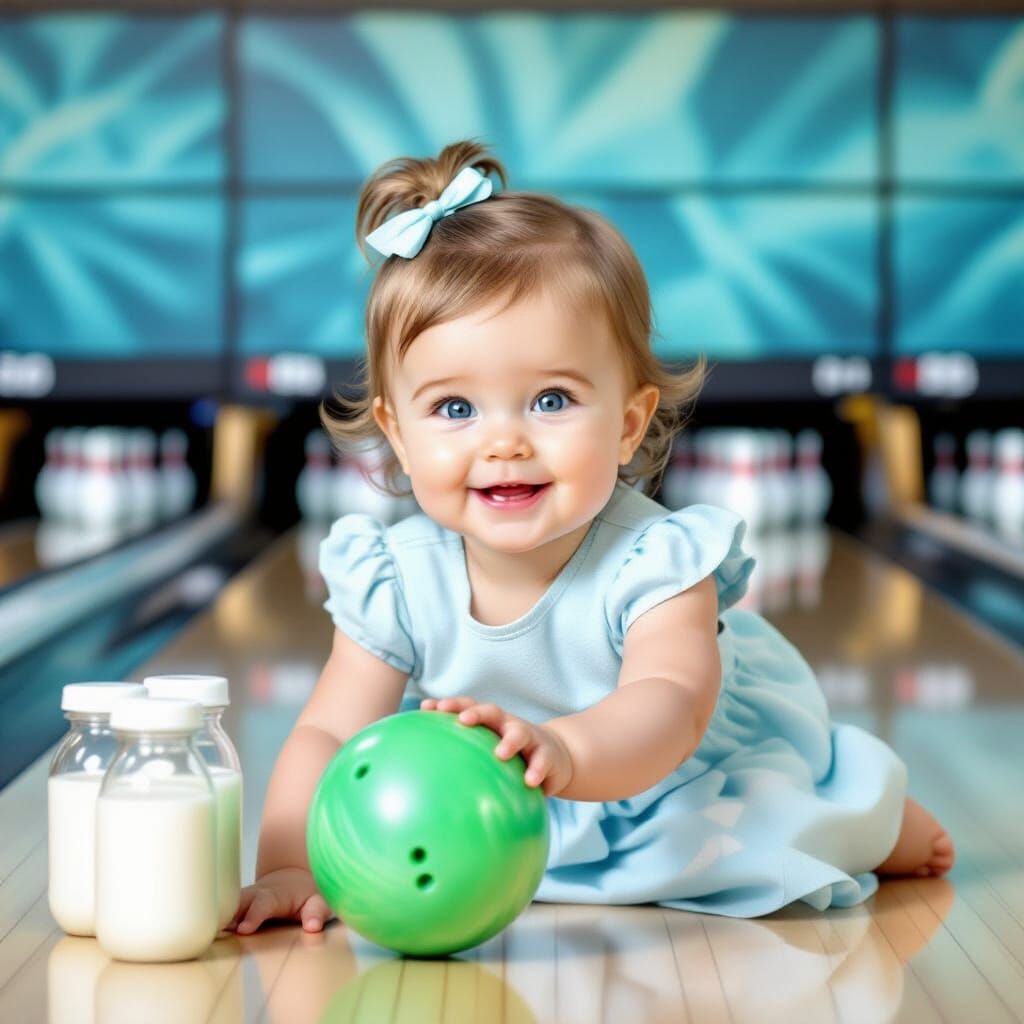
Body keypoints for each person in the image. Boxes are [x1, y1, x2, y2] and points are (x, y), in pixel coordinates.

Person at [230, 140, 954, 935]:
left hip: (668, 780)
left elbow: (668, 703)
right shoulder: (397, 578)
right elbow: (330, 732)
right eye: (455, 409)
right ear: (397, 436)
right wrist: (290, 865)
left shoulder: (659, 562)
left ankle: (868, 817)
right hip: (494, 808)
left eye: (550, 400)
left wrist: (563, 752)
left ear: (629, 423)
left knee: (763, 839)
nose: (503, 442)